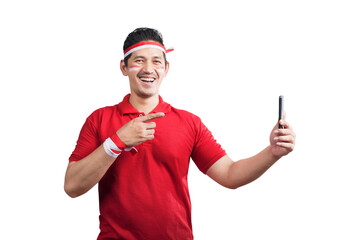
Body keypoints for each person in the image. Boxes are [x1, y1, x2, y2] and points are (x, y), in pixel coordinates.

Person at [64, 27, 296, 240]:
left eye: (156, 61)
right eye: (139, 61)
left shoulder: (189, 123)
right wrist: (116, 142)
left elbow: (230, 174)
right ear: (124, 68)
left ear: (166, 69)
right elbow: (72, 186)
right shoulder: (99, 119)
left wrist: (272, 153)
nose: (148, 69)